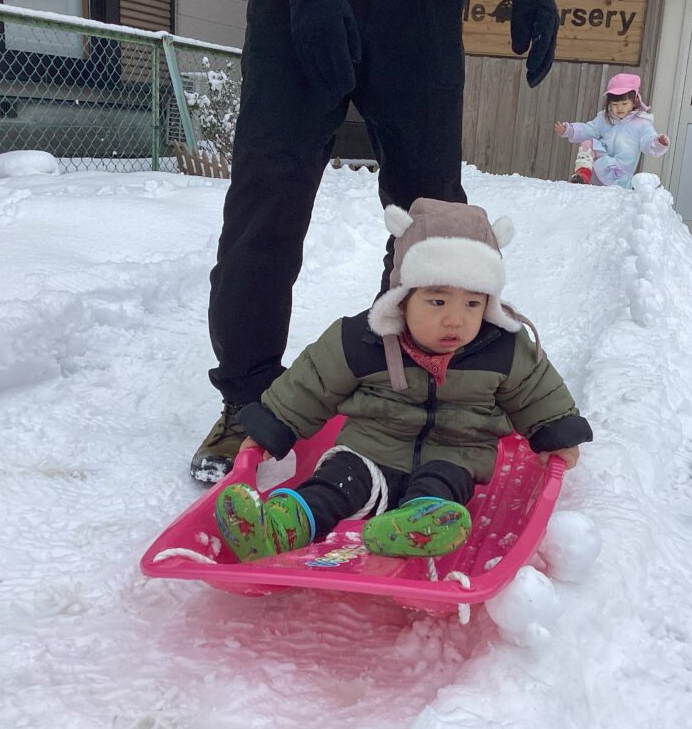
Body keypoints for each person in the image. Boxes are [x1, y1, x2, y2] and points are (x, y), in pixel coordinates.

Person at [192, 0, 562, 483]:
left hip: (418, 14)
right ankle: (246, 399)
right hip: (292, 14)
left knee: (431, 214)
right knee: (265, 206)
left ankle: (401, 386)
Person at [213, 198, 593, 562]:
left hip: (453, 454)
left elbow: (536, 393)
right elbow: (310, 385)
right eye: (438, 301)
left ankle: (416, 529)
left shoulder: (503, 349)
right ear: (403, 297)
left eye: (473, 303)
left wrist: (556, 433)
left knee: (441, 488)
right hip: (371, 447)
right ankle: (277, 527)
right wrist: (269, 428)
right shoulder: (362, 340)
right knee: (335, 483)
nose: (455, 320)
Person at [554, 73, 669, 189]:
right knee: (588, 143)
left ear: (634, 102)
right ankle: (583, 175)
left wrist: (658, 143)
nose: (619, 108)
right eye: (615, 104)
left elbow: (647, 140)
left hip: (619, 173)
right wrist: (569, 130)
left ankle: (647, 187)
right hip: (600, 168)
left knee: (628, 186)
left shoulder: (641, 123)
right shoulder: (604, 119)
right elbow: (589, 129)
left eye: (624, 104)